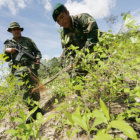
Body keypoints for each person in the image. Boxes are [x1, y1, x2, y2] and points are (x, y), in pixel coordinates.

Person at [52, 3, 99, 90]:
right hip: (81, 57)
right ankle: (82, 94)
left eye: (62, 17)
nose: (61, 22)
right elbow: (67, 50)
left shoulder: (82, 18)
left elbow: (93, 38)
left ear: (67, 12)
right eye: (58, 21)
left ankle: (123, 90)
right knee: (63, 61)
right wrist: (70, 63)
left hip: (96, 50)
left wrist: (82, 55)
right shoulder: (63, 34)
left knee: (108, 67)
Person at [4, 22, 44, 123]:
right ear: (11, 31)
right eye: (14, 29)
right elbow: (6, 59)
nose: (16, 31)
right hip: (18, 71)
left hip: (31, 68)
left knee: (35, 91)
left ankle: (37, 109)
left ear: (20, 30)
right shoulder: (9, 43)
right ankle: (32, 112)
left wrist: (38, 58)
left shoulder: (28, 40)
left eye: (17, 29)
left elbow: (37, 52)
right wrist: (9, 51)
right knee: (24, 92)